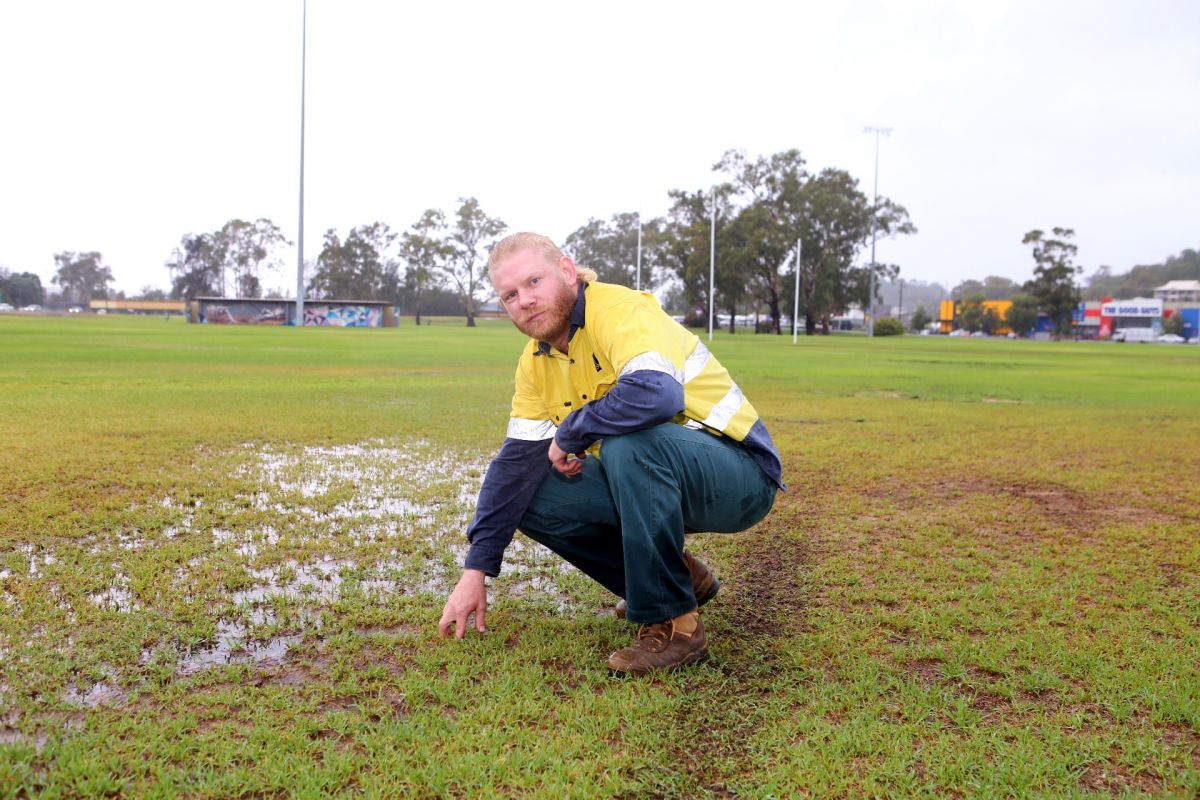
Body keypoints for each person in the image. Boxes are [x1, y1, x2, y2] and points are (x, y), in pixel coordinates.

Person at [437, 232, 784, 675]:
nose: (524, 300)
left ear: (566, 270)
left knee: (628, 441)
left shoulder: (619, 310)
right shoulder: (535, 361)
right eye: (510, 294)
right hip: (653, 477)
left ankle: (675, 625)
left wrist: (572, 432)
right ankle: (681, 580)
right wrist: (475, 570)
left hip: (738, 474)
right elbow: (512, 468)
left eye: (534, 281)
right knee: (531, 493)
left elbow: (656, 396)